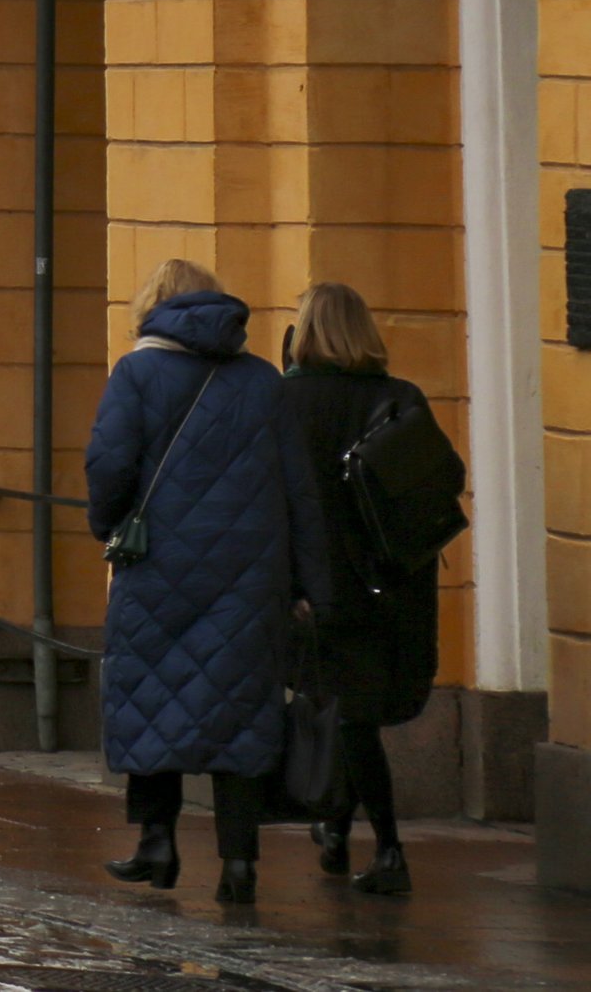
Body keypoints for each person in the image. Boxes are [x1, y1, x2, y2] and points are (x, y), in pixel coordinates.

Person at [86, 257, 329, 904]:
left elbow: (108, 465)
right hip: (249, 578)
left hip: (157, 568)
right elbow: (299, 490)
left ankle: (157, 845)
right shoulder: (263, 381)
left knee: (150, 698)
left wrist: (107, 523)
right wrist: (310, 583)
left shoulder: (137, 373)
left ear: (154, 307)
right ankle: (240, 865)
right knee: (242, 714)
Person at [283, 280, 452, 900]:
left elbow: (273, 502)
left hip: (319, 588)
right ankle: (339, 829)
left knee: (342, 714)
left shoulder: (285, 403)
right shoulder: (401, 398)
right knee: (354, 717)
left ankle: (383, 846)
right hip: (393, 586)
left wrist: (287, 586)